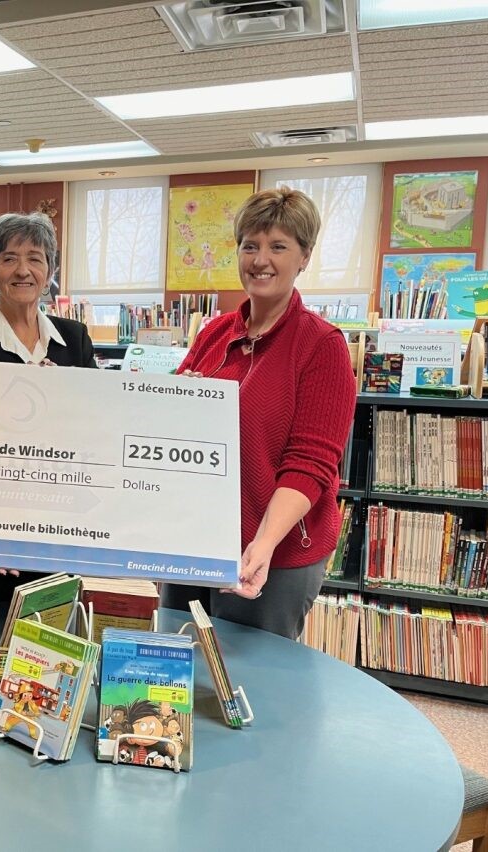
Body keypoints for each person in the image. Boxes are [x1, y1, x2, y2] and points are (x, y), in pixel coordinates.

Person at [161, 187, 355, 640]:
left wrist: (263, 543)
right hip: (194, 540)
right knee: (176, 672)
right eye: (250, 245)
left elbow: (311, 464)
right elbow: (171, 431)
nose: (260, 259)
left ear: (304, 256)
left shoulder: (321, 346)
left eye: (278, 246)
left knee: (253, 685)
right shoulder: (215, 333)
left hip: (274, 550)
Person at [0, 212, 96, 605]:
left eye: (35, 257)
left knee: (61, 633)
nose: (23, 270)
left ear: (50, 271)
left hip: (65, 520)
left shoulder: (74, 339)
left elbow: (98, 422)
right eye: (8, 258)